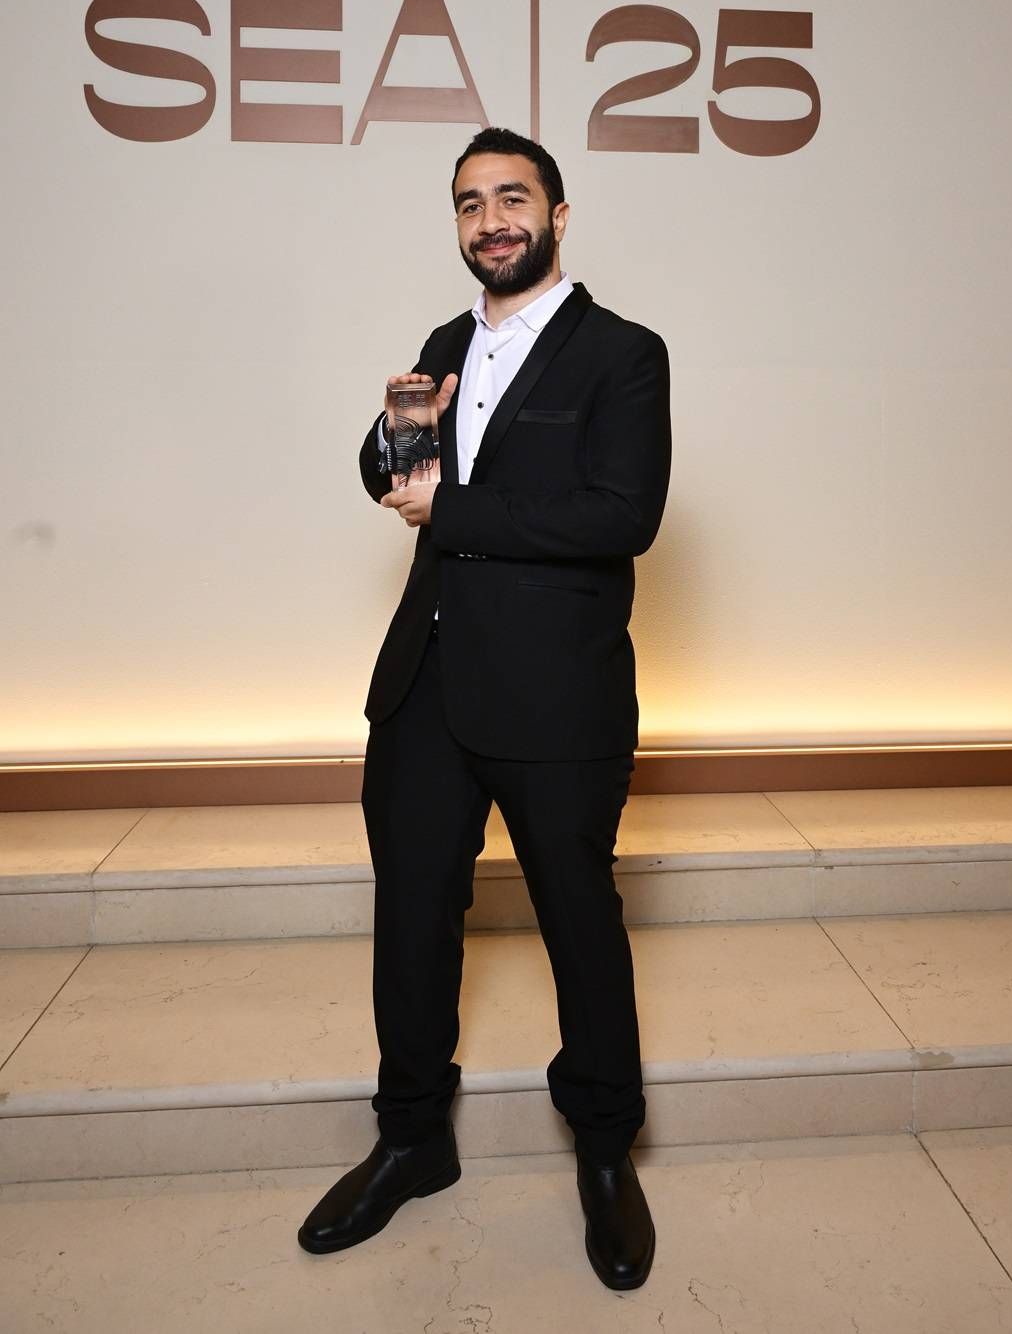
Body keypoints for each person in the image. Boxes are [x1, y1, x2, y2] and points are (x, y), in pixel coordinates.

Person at [297, 126, 672, 1290]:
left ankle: (604, 1150)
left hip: (559, 697)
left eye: (513, 198)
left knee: (578, 924)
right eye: (470, 203)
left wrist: (450, 508)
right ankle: (413, 1139)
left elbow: (622, 516)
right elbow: (393, 479)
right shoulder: (443, 344)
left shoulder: (624, 354)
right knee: (410, 921)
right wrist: (391, 442)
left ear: (558, 216)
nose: (491, 220)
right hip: (425, 686)